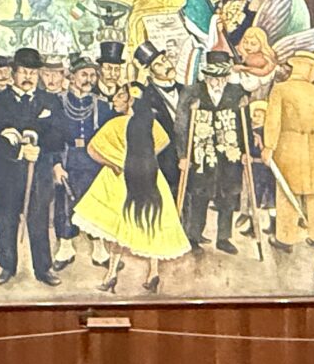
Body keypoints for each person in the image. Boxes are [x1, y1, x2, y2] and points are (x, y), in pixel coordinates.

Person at [71, 48, 191, 294]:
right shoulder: (150, 123)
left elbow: (92, 150)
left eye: (120, 97)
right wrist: (145, 158)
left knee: (119, 230)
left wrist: (114, 163)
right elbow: (164, 141)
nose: (115, 100)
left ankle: (111, 275)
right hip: (149, 176)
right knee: (151, 223)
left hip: (119, 180)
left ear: (129, 102)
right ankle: (152, 273)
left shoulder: (116, 124)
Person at [0, 47, 66, 286]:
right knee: (7, 221)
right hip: (7, 175)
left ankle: (43, 269)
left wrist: (38, 142)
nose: (28, 76)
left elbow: (59, 135)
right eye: (23, 71)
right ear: (13, 73)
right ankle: (7, 267)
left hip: (39, 175)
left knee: (38, 222)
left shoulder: (50, 101)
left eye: (32, 72)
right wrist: (18, 151)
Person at [179, 49, 261, 255]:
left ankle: (223, 238)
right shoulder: (192, 92)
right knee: (199, 194)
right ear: (206, 76)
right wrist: (182, 155)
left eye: (221, 78)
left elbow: (244, 125)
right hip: (200, 152)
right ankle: (193, 236)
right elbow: (181, 126)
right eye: (213, 78)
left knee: (229, 195)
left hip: (229, 154)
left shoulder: (237, 93)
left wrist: (247, 151)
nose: (217, 82)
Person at [54, 45, 119, 266]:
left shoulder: (102, 105)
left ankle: (99, 251)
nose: (88, 79)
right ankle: (65, 249)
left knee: (96, 203)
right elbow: (52, 138)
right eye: (84, 74)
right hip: (67, 158)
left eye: (92, 75)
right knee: (65, 203)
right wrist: (56, 164)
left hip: (94, 160)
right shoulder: (58, 103)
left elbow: (111, 135)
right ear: (72, 77)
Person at [262, 48, 314, 250]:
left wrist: (269, 146)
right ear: (306, 67)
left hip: (289, 143)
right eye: (313, 69)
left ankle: (286, 238)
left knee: (287, 190)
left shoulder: (280, 89)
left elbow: (273, 121)